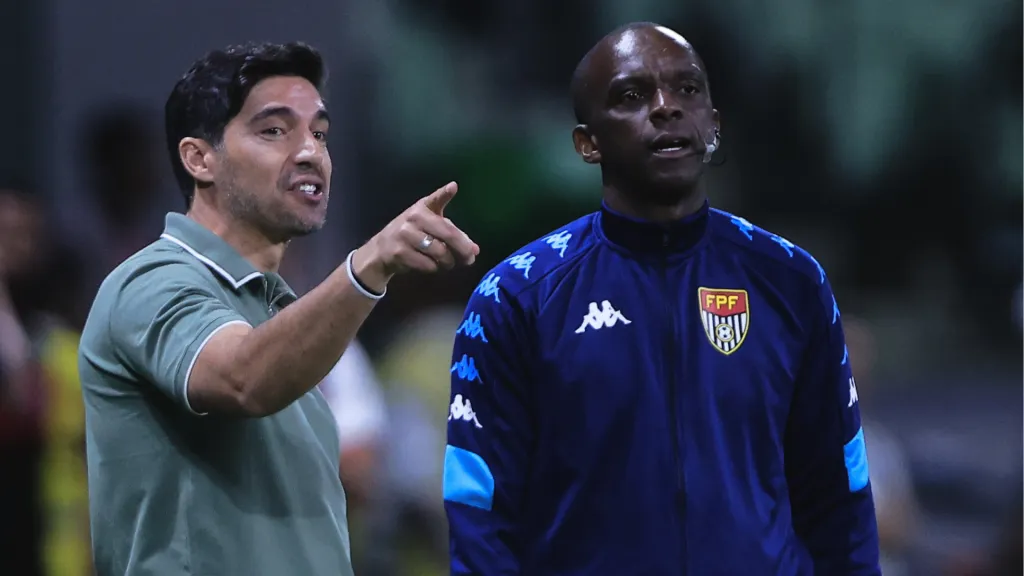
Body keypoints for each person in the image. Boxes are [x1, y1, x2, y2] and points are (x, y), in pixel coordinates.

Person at [445, 22, 880, 575]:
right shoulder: (516, 298)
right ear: (588, 143)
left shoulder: (793, 281)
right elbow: (479, 514)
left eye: (687, 90)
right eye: (631, 96)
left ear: (714, 125)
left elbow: (840, 493)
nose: (666, 108)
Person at [78, 41, 478, 576]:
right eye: (274, 130)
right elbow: (244, 379)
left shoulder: (280, 313)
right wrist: (367, 268)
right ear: (200, 158)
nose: (310, 151)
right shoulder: (150, 281)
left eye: (319, 133)